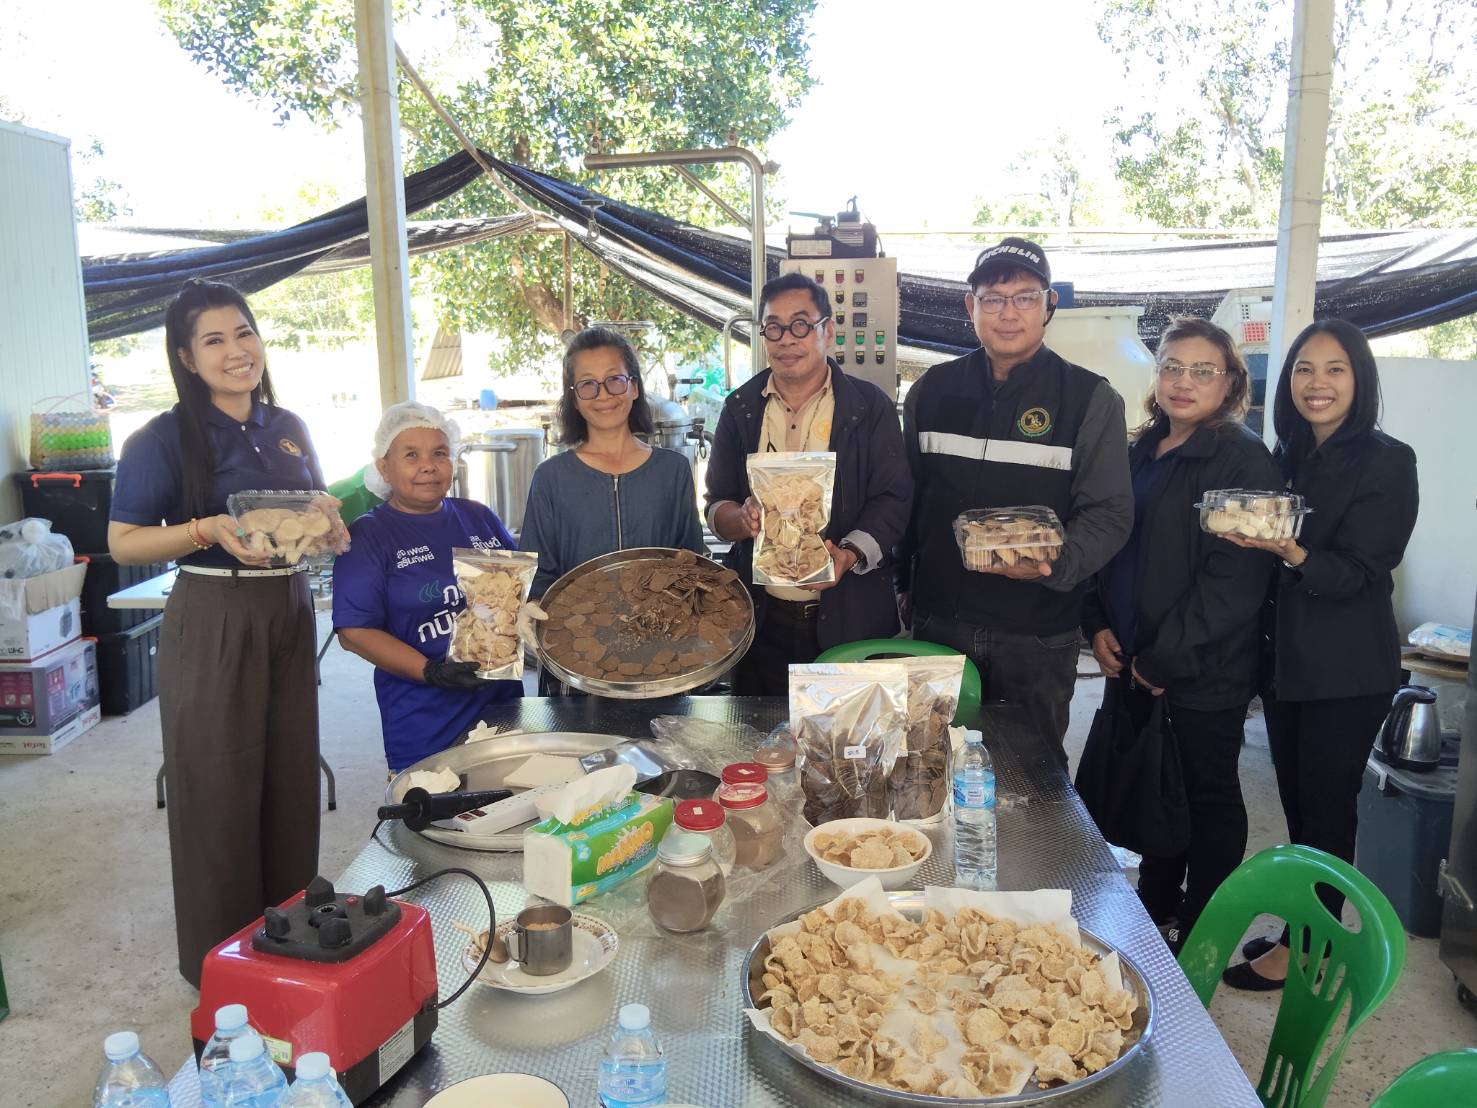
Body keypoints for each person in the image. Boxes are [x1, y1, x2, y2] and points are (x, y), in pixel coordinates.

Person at [108, 278, 347, 987]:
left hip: (289, 608)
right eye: (214, 340)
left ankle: (286, 940)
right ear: (187, 357)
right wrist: (204, 529)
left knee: (290, 779)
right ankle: (222, 968)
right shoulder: (162, 438)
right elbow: (122, 542)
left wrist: (328, 526)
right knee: (216, 785)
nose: (237, 350)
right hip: (215, 612)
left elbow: (308, 513)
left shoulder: (287, 424)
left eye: (244, 332)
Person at [1218, 319, 1418, 991]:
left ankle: (1310, 948)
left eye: (1335, 369)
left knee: (1326, 811)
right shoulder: (1289, 454)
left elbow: (1362, 570)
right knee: (1300, 811)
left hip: (1344, 670)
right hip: (1286, 664)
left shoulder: (1388, 460)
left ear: (1360, 379)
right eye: (1304, 368)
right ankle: (1301, 925)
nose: (1317, 383)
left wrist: (1289, 550)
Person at [1081, 318, 1280, 949]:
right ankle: (1157, 905)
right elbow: (1109, 540)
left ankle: (1204, 934)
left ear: (1231, 383)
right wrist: (1097, 623)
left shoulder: (1243, 458)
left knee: (1206, 795)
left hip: (1202, 670)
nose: (1183, 381)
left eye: (1202, 370)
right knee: (1158, 791)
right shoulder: (1142, 449)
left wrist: (1163, 660)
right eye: (1171, 366)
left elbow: (1236, 580)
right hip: (1134, 656)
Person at [902, 238, 1132, 757]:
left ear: (1049, 304)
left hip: (1037, 632)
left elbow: (1110, 512)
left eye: (1025, 297)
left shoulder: (1089, 399)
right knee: (933, 762)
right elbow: (907, 498)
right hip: (941, 622)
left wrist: (1055, 564)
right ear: (971, 306)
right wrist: (902, 589)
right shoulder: (932, 391)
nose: (1009, 313)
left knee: (1033, 772)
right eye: (993, 298)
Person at [705, 272, 913, 694]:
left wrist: (849, 554)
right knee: (760, 732)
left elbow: (894, 499)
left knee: (847, 734)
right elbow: (715, 505)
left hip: (851, 622)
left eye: (800, 325)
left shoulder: (869, 407)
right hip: (760, 625)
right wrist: (740, 519)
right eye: (774, 327)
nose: (787, 339)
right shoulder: (741, 408)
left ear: (827, 331)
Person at [332, 402, 523, 773]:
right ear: (383, 467)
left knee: (512, 800)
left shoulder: (478, 516)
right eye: (411, 455)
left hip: (503, 707)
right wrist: (430, 671)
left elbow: (516, 590)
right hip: (425, 720)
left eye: (439, 453)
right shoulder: (370, 535)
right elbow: (354, 633)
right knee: (436, 806)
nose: (428, 466)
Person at [520, 326, 705, 604]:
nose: (603, 395)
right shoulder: (551, 478)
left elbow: (692, 565)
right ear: (574, 398)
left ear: (634, 387)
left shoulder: (673, 470)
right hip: (572, 630)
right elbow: (538, 578)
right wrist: (534, 608)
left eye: (614, 380)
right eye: (587, 384)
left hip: (663, 629)